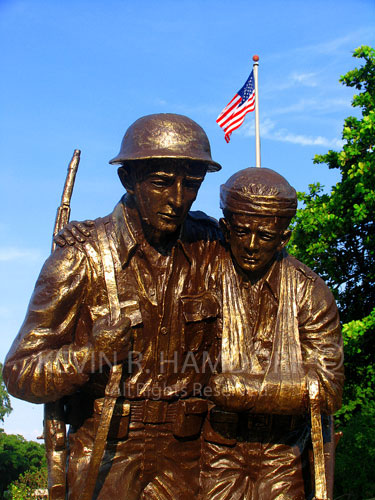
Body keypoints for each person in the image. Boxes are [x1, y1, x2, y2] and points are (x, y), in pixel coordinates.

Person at [3, 113, 223, 500]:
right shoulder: (80, 259)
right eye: (160, 183)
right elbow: (20, 373)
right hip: (107, 453)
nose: (177, 199)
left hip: (192, 457)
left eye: (191, 184)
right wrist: (90, 354)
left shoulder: (211, 249)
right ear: (128, 180)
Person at [200, 167, 344, 500]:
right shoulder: (204, 273)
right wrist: (85, 234)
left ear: (283, 238)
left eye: (264, 236)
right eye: (241, 232)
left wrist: (251, 392)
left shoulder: (310, 293)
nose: (250, 245)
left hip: (283, 453)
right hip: (215, 449)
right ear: (226, 229)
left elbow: (329, 388)